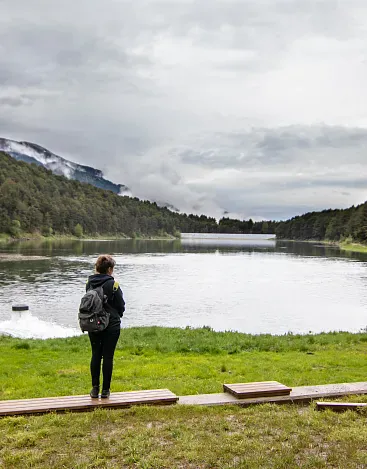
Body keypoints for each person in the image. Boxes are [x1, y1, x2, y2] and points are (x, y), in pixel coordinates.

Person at [86, 254, 125, 399]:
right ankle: (105, 391)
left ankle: (95, 389)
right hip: (111, 325)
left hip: (93, 323)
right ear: (109, 269)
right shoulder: (113, 284)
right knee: (108, 357)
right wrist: (116, 315)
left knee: (96, 354)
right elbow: (121, 305)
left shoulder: (89, 283)